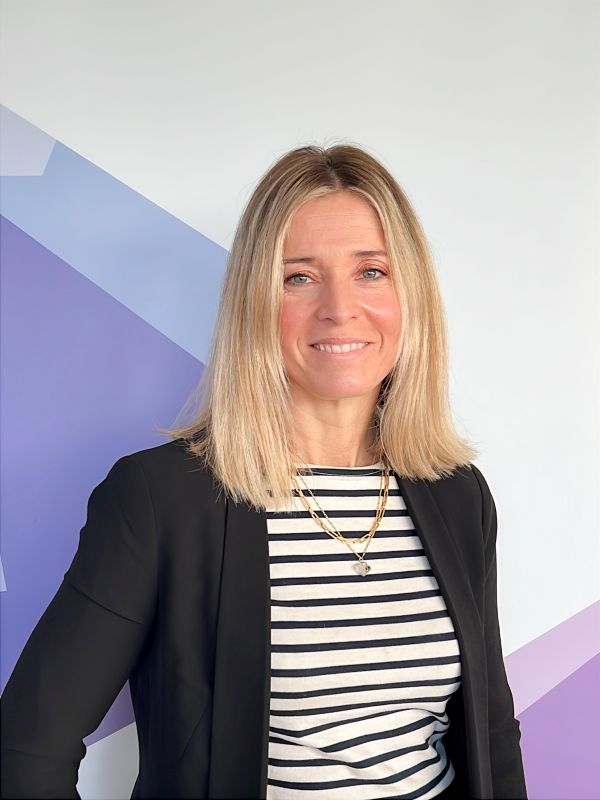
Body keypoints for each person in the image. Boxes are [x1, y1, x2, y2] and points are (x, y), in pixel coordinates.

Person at [0, 144, 527, 799]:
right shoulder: (160, 500)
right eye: (298, 277)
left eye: (371, 271)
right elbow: (28, 749)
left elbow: (491, 732)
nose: (339, 307)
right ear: (255, 301)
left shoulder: (457, 494)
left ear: (410, 294)